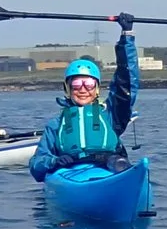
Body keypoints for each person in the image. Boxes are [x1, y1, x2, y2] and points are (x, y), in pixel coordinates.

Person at [28, 19, 139, 181]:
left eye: (88, 84)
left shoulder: (110, 116)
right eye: (76, 84)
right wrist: (53, 161)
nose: (83, 89)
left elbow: (127, 81)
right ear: (67, 88)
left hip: (107, 167)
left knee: (121, 164)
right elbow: (36, 165)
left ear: (96, 88)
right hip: (70, 174)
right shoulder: (56, 125)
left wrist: (127, 36)